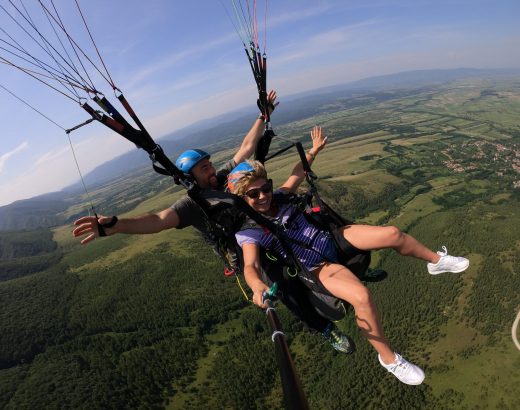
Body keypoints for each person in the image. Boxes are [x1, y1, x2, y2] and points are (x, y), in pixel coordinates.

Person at [72, 92, 354, 354]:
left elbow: (246, 147)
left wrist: (263, 114)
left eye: (209, 164)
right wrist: (115, 224)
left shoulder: (221, 180)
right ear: (191, 176)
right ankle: (325, 329)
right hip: (244, 247)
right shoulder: (191, 205)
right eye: (204, 167)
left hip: (261, 229)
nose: (211, 169)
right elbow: (157, 221)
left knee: (313, 235)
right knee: (283, 284)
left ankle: (350, 274)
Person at [228, 126, 470, 385]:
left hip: (332, 238)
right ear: (241, 198)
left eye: (265, 188)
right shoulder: (249, 231)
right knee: (362, 297)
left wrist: (313, 151)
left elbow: (296, 174)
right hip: (318, 266)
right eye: (254, 194)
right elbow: (251, 265)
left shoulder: (279, 198)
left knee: (392, 233)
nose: (264, 196)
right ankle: (389, 360)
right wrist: (256, 287)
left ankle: (436, 262)